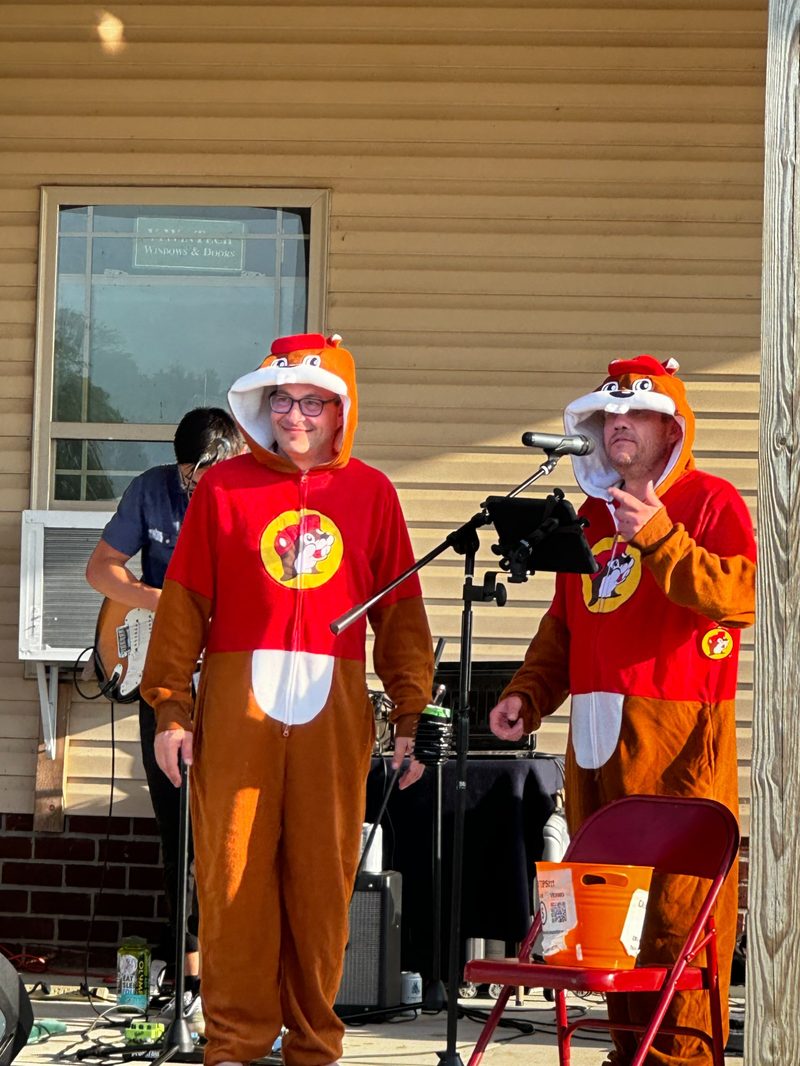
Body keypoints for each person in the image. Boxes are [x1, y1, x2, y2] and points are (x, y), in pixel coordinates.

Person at [140, 332, 434, 1066]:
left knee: (322, 884)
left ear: (341, 411)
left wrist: (409, 715)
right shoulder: (223, 488)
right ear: (264, 406)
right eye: (283, 400)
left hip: (333, 714)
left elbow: (402, 620)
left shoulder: (372, 494)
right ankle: (234, 1044)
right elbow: (183, 608)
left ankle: (313, 1043)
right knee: (231, 873)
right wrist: (172, 709)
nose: (295, 414)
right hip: (237, 710)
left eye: (312, 401)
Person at [490, 354, 755, 1066]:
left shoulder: (711, 502)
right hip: (595, 746)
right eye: (608, 417)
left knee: (675, 920)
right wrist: (527, 693)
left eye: (632, 415)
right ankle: (626, 1054)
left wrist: (662, 537)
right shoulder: (591, 514)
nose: (617, 429)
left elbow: (742, 596)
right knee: (609, 916)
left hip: (676, 749)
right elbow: (564, 625)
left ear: (670, 428)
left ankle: (684, 1061)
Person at [85, 407, 244, 1006]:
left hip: (230, 682)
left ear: (231, 457)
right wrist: (160, 602)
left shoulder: (246, 496)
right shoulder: (150, 490)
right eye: (184, 474)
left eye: (201, 474)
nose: (190, 485)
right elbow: (100, 569)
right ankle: (189, 976)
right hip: (166, 680)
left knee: (226, 823)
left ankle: (233, 970)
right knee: (175, 826)